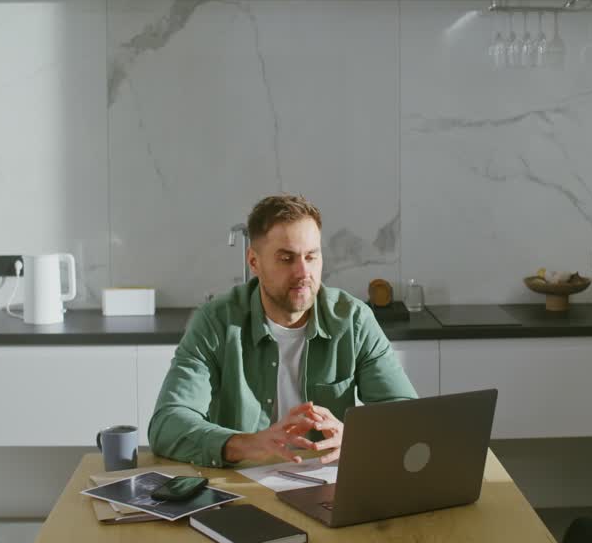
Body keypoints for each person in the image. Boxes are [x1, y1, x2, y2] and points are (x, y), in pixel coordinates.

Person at [148, 194, 417, 468]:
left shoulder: (354, 320)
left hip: (327, 482)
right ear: (254, 262)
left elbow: (408, 418)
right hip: (240, 484)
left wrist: (355, 437)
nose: (303, 272)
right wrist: (247, 443)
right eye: (286, 258)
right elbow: (167, 424)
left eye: (311, 256)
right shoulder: (215, 322)